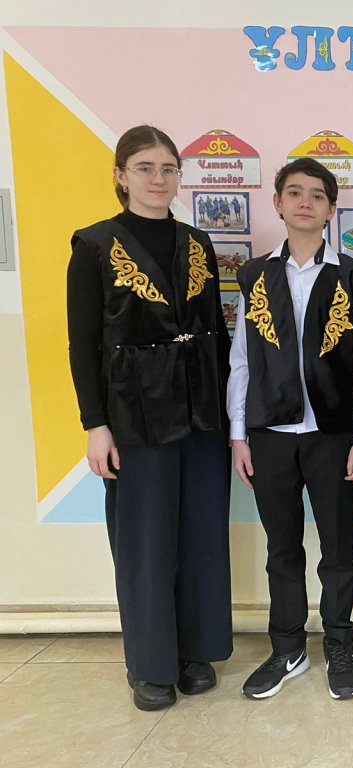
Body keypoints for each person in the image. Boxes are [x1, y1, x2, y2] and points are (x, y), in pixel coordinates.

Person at [66, 125, 233, 712]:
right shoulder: (93, 245)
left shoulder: (197, 242)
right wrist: (95, 425)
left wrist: (231, 415)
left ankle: (195, 653)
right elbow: (82, 343)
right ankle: (151, 664)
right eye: (145, 167)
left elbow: (216, 334)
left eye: (168, 168)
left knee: (201, 533)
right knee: (145, 540)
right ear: (121, 175)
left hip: (202, 410)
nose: (158, 179)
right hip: (134, 414)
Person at [228, 158, 353, 700]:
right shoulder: (254, 276)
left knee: (337, 548)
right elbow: (241, 360)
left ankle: (339, 642)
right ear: (278, 202)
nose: (306, 203)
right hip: (269, 433)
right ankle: (288, 648)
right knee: (282, 548)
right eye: (295, 193)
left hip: (333, 434)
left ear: (332, 208)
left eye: (318, 195)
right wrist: (238, 433)